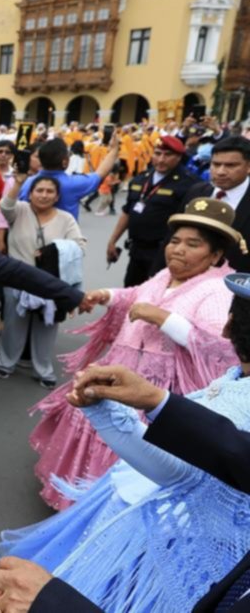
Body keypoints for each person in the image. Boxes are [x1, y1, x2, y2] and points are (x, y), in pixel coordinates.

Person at [0, 273, 250, 613]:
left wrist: (118, 415)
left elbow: (181, 472)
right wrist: (149, 403)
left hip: (171, 547)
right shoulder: (237, 377)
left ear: (230, 327)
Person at [30, 197, 243, 508]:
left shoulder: (216, 290)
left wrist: (163, 318)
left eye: (192, 244)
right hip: (122, 367)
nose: (178, 250)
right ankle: (71, 494)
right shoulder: (166, 275)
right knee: (97, 427)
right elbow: (136, 296)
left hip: (152, 389)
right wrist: (107, 295)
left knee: (129, 443)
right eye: (175, 241)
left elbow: (220, 348)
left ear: (216, 254)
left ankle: (103, 507)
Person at [0, 174, 86, 387]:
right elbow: (5, 206)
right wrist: (18, 183)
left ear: (57, 196)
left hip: (49, 282)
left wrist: (51, 252)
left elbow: (79, 245)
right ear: (31, 193)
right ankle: (6, 362)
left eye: (49, 191)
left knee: (46, 326)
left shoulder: (66, 218)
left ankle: (43, 369)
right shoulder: (19, 209)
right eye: (39, 190)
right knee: (13, 324)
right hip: (17, 278)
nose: (44, 195)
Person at [107, 135, 198, 286]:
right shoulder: (140, 179)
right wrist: (113, 240)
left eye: (167, 155)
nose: (161, 159)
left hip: (165, 252)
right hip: (137, 249)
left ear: (179, 157)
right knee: (132, 288)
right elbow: (127, 212)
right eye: (157, 153)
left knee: (157, 293)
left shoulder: (189, 184)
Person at [185, 136, 250, 272]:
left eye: (231, 165)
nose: (220, 172)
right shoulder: (196, 192)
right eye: (215, 164)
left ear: (248, 166)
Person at [19, 134, 119, 220]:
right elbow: (101, 173)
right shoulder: (73, 184)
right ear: (65, 161)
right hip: (65, 240)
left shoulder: (26, 183)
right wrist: (114, 150)